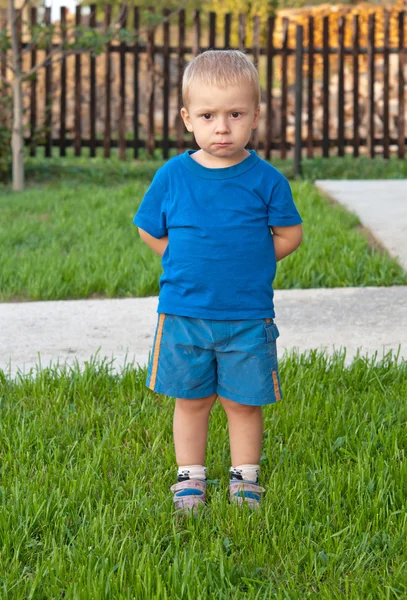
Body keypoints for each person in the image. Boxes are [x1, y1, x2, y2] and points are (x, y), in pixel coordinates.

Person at [134, 49, 303, 514]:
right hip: (185, 312)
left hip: (246, 315)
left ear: (254, 117)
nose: (222, 127)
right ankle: (190, 479)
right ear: (188, 118)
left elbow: (290, 235)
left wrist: (248, 260)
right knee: (192, 400)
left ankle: (244, 479)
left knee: (243, 403)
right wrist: (180, 257)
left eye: (235, 114)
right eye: (208, 115)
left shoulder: (266, 180)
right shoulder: (173, 176)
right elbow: (149, 227)